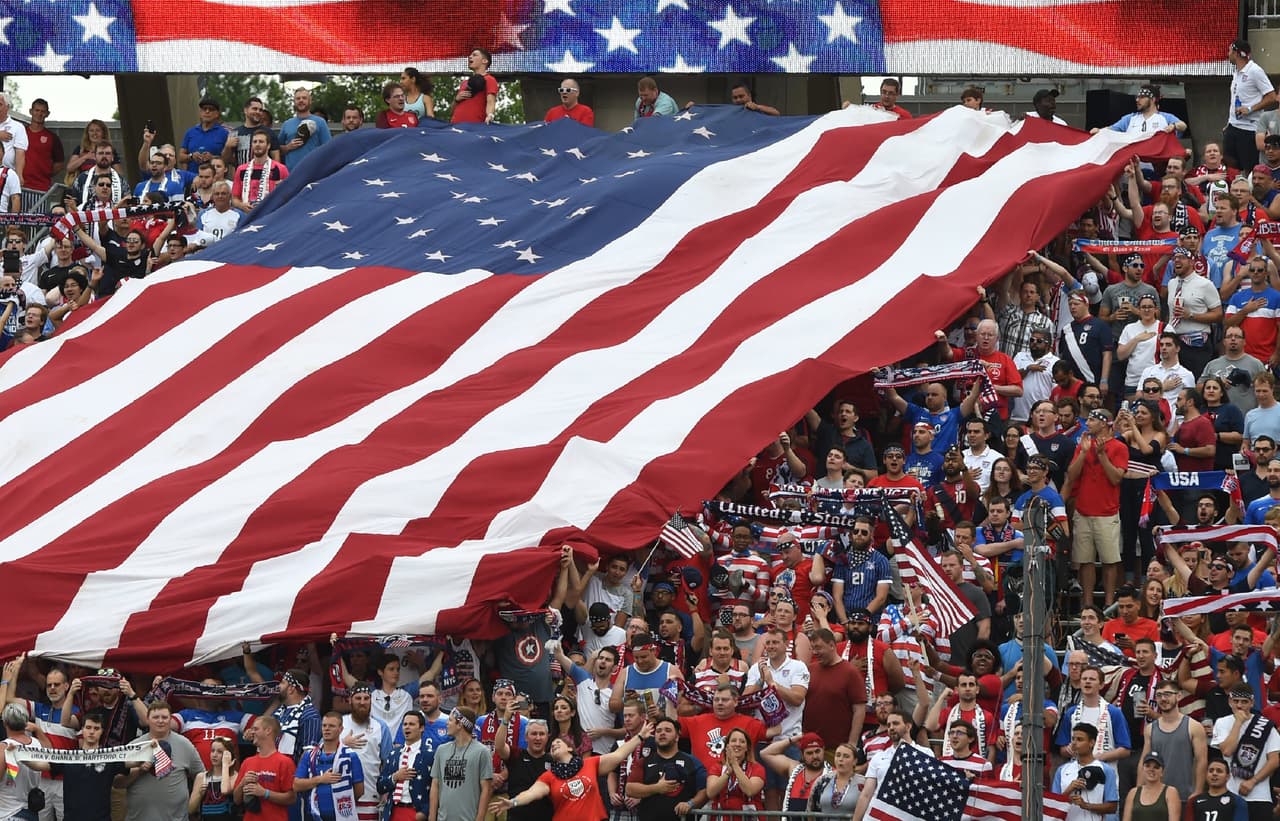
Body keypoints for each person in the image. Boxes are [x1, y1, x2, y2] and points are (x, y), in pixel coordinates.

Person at [488, 719, 654, 819]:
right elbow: (531, 794)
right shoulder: (549, 776)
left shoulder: (589, 764)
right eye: (551, 746)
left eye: (557, 743)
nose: (554, 746)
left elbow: (618, 755)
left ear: (569, 748)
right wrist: (513, 802)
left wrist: (640, 736)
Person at [1208, 683, 1279, 820]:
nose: (1239, 706)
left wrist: (1252, 781)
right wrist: (1238, 723)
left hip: (1260, 796)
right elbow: (1227, 751)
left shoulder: (1266, 726)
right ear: (1229, 701)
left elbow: (1275, 760)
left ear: (1252, 703)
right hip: (1229, 795)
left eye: (1244, 702)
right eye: (1236, 701)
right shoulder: (1222, 723)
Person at [122, 701, 204, 821]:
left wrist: (194, 800)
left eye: (165, 717)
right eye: (155, 717)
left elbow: (201, 773)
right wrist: (139, 771)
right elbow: (118, 783)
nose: (160, 721)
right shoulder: (134, 746)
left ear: (170, 719)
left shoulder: (185, 744)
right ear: (147, 719)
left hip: (176, 817)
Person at [626, 717, 707, 821]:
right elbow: (629, 789)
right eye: (658, 731)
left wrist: (690, 804)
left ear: (677, 737)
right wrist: (657, 788)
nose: (662, 733)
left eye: (668, 730)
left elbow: (704, 791)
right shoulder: (644, 761)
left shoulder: (692, 762)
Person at [1139, 679, 1207, 802]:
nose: (1163, 699)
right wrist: (1139, 792)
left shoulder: (1194, 727)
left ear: (1179, 696)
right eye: (1159, 695)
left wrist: (1198, 791)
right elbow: (1143, 762)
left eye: (1167, 694)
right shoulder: (1150, 729)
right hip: (1156, 798)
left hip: (1185, 797)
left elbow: (1201, 761)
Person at [295, 712, 363, 821]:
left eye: (331, 726)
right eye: (324, 725)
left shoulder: (351, 756)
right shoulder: (309, 755)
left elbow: (359, 790)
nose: (327, 729)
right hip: (312, 816)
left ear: (341, 729)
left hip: (342, 816)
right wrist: (321, 779)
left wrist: (343, 802)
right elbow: (296, 785)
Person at [428, 708, 492, 821]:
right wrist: (432, 817)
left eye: (450, 720)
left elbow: (486, 789)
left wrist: (480, 818)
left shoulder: (482, 752)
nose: (447, 723)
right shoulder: (441, 750)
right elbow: (435, 785)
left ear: (460, 724)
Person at [1052, 722, 1121, 821]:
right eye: (1073, 739)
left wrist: (1086, 805)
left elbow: (1112, 807)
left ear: (1091, 742)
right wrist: (1069, 790)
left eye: (1080, 739)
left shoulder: (1106, 770)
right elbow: (1053, 804)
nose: (1074, 743)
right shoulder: (1062, 770)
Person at [1225, 39, 1277, 170]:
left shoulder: (1255, 71)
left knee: (1249, 168)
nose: (1228, 54)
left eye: (1230, 50)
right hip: (1233, 127)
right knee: (1229, 166)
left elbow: (1271, 96)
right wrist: (1229, 122)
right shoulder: (1236, 72)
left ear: (1236, 53)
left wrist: (1250, 109)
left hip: (1249, 129)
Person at [235, 715, 298, 820]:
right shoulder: (247, 762)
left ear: (268, 731)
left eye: (256, 729)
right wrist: (242, 783)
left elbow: (292, 798)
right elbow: (236, 800)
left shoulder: (285, 762)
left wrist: (265, 793)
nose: (252, 732)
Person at [378, 710, 432, 821]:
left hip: (416, 812)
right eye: (405, 724)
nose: (407, 727)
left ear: (421, 728)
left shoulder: (430, 755)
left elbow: (436, 788)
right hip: (393, 811)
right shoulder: (394, 753)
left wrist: (425, 812)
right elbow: (380, 786)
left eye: (411, 724)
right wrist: (395, 777)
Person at [758, 732, 828, 815]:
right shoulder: (795, 769)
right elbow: (765, 753)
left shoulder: (832, 774)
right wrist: (792, 740)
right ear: (802, 754)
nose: (815, 756)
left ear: (823, 750)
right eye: (809, 753)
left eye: (817, 751)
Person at [279, 88, 331, 170]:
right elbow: (277, 149)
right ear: (294, 102)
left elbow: (328, 148)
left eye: (304, 98)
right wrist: (287, 147)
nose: (301, 100)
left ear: (310, 101)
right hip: (291, 172)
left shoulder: (320, 122)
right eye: (298, 98)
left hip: (313, 172)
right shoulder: (287, 124)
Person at [1120, 750, 1179, 821]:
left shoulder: (1170, 792)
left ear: (1162, 772)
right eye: (1148, 766)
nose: (1151, 769)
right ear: (1143, 769)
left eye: (1156, 767)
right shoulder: (1133, 793)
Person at [189, 736, 239, 819]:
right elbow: (190, 809)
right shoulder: (202, 777)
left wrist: (226, 765)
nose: (214, 755)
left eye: (219, 752)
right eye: (212, 751)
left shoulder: (235, 776)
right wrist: (199, 795)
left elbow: (225, 790)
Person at [1186, 755, 1248, 821]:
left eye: (1219, 771)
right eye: (1211, 771)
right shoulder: (1193, 801)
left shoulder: (1238, 802)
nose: (1214, 773)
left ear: (1228, 776)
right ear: (1206, 775)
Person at [22, 99, 63, 193]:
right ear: (31, 111)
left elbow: (59, 164)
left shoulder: (52, 137)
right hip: (20, 185)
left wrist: (45, 173)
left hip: (42, 187)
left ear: (47, 114)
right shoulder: (20, 132)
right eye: (37, 110)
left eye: (43, 111)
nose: (39, 114)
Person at [453, 48, 499, 125]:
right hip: (455, 126)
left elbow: (491, 101)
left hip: (474, 127)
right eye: (470, 55)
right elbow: (453, 109)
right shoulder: (464, 83)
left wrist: (490, 115)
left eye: (474, 55)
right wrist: (456, 100)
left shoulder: (489, 79)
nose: (470, 57)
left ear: (484, 61)